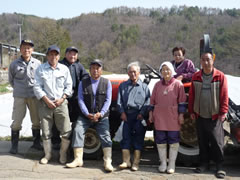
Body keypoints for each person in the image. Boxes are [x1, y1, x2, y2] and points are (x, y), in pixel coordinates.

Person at [66, 59, 113, 172]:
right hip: (85, 116)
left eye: (98, 68)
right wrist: (87, 113)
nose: (95, 70)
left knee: (106, 135)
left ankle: (107, 161)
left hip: (101, 116)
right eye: (93, 68)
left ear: (101, 70)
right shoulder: (84, 82)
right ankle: (78, 159)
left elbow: (108, 100)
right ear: (90, 70)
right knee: (77, 130)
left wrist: (100, 114)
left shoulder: (107, 83)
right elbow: (80, 100)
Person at [188, 51, 228, 179]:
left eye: (208, 59)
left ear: (213, 60)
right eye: (203, 60)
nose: (206, 62)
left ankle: (220, 166)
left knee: (217, 142)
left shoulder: (220, 76)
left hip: (215, 115)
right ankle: (204, 163)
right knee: (202, 141)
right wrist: (192, 111)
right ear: (200, 61)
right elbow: (192, 95)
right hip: (200, 114)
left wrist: (223, 112)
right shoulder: (196, 76)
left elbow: (224, 96)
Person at [33, 45, 72, 165]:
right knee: (45, 131)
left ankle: (63, 154)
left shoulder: (64, 69)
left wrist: (63, 98)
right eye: (51, 54)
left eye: (55, 54)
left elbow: (69, 86)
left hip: (61, 103)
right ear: (47, 56)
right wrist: (46, 100)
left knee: (66, 130)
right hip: (45, 104)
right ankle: (47, 154)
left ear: (59, 56)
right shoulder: (40, 69)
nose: (53, 57)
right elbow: (37, 86)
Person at [148, 61, 186, 174]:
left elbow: (182, 101)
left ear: (172, 71)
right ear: (160, 72)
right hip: (159, 116)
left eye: (167, 69)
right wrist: (150, 113)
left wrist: (181, 115)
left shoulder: (178, 84)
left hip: (173, 117)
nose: (165, 72)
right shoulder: (157, 85)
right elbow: (152, 101)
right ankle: (163, 163)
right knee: (160, 140)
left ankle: (172, 164)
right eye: (163, 69)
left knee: (173, 140)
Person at [51, 46, 89, 149]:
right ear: (65, 54)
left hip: (75, 97)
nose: (73, 56)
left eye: (75, 54)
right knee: (58, 119)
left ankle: (71, 139)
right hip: (61, 97)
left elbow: (85, 76)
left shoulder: (79, 65)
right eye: (70, 53)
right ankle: (55, 141)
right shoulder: (60, 65)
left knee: (76, 119)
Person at [8, 39, 42, 154]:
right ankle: (14, 145)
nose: (26, 50)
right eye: (24, 47)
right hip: (20, 97)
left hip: (34, 96)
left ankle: (36, 143)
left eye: (29, 48)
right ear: (20, 49)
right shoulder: (14, 64)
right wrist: (19, 89)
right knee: (17, 121)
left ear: (32, 50)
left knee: (36, 120)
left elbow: (40, 80)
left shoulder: (38, 64)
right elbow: (11, 81)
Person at [117, 61, 150, 171]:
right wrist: (122, 112)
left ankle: (136, 162)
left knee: (138, 139)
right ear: (127, 73)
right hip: (126, 115)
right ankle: (126, 161)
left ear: (139, 73)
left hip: (139, 116)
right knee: (125, 138)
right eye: (130, 72)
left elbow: (147, 102)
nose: (133, 74)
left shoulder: (145, 87)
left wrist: (142, 113)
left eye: (135, 72)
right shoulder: (122, 86)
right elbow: (119, 101)